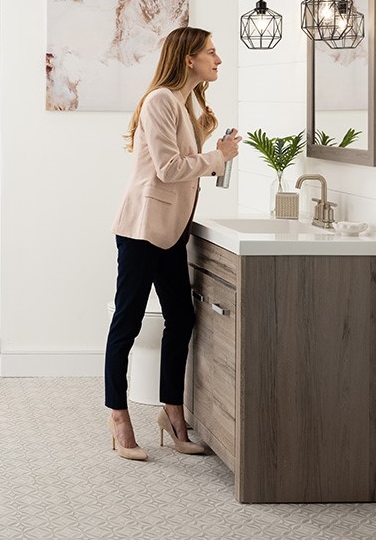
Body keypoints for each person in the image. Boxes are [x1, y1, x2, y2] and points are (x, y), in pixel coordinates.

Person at [104, 26, 240, 461]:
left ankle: (172, 411)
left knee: (181, 318)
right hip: (144, 229)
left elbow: (184, 165)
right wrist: (218, 157)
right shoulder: (161, 100)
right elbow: (167, 168)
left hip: (171, 230)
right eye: (211, 53)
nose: (218, 60)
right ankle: (118, 416)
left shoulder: (184, 104)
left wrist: (215, 151)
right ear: (188, 59)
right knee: (127, 321)